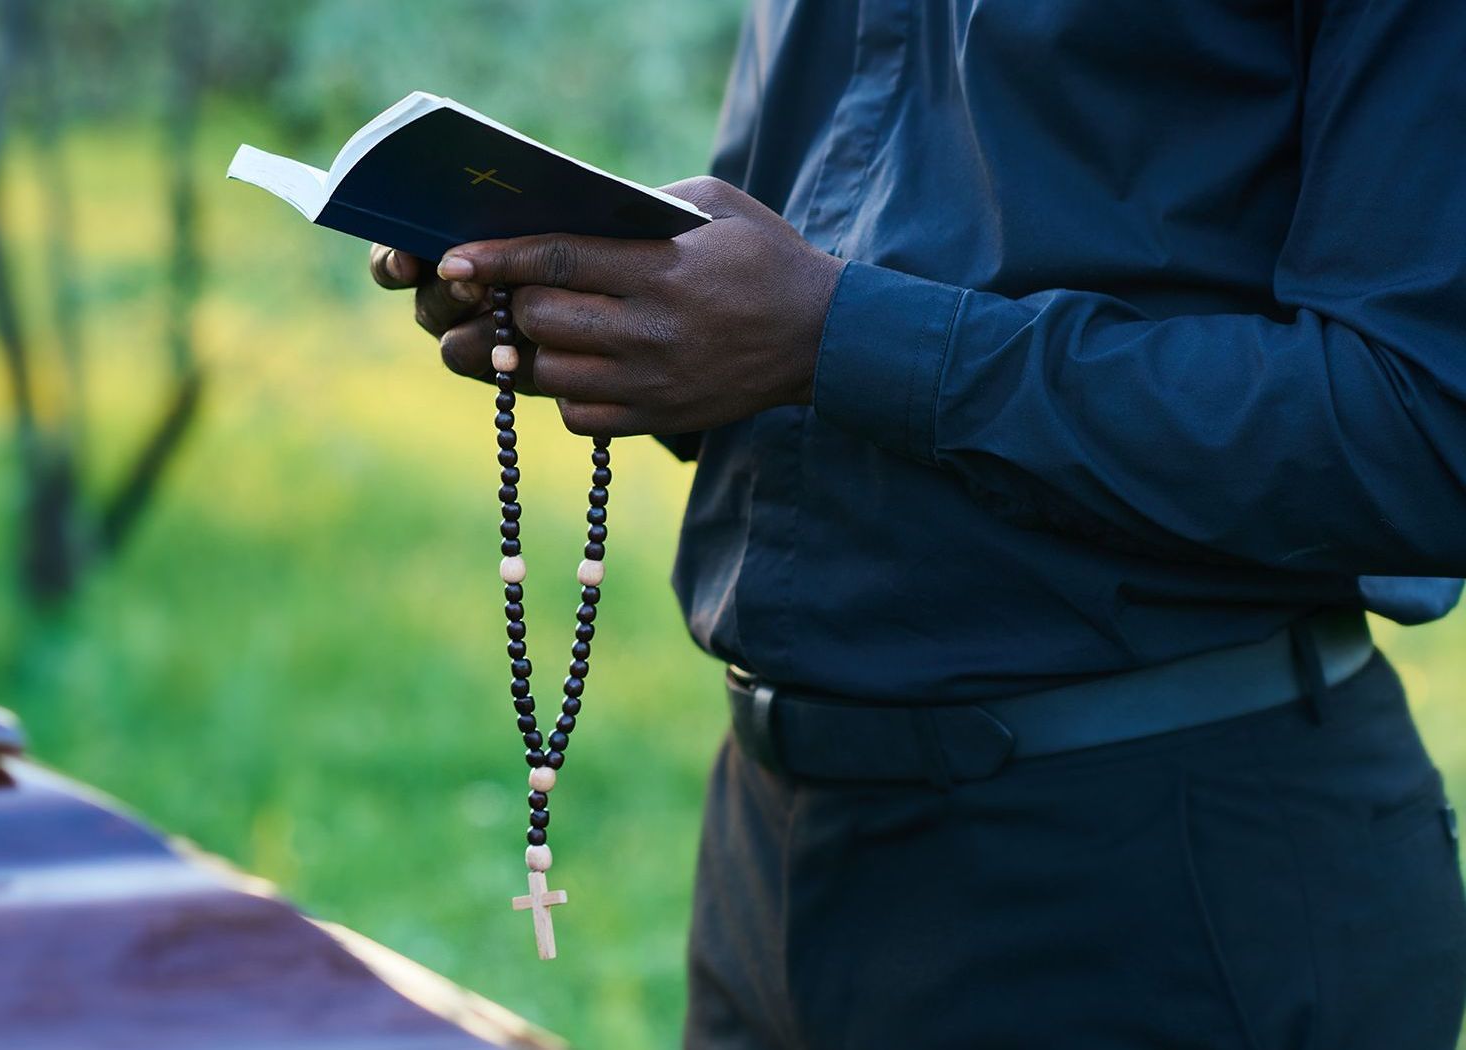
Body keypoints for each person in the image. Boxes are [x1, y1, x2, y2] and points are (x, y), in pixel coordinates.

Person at [369, 0, 1466, 1045]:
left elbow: (1424, 429)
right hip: (773, 857)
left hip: (1158, 872)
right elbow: (791, 295)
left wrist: (838, 338)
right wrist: (619, 318)